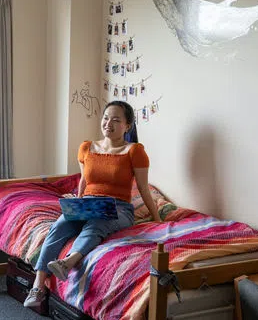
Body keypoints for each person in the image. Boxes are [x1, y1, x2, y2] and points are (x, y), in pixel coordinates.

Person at [23, 101, 162, 308]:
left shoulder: (135, 151)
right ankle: (37, 287)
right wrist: (77, 202)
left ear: (128, 126)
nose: (109, 124)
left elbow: (142, 188)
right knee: (59, 226)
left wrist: (157, 218)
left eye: (116, 120)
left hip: (118, 207)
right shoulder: (87, 147)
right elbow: (84, 180)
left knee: (96, 224)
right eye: (106, 118)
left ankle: (67, 262)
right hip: (88, 202)